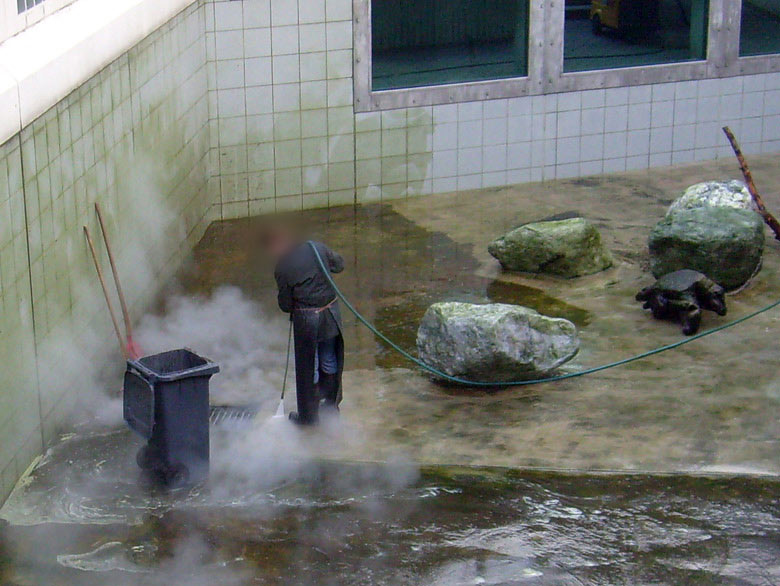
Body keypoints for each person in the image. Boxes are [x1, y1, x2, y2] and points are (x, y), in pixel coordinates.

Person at [265, 227, 345, 425]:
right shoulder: (317, 247)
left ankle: (309, 418)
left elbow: (285, 305)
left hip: (308, 320)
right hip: (331, 313)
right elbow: (339, 265)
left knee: (310, 365)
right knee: (329, 356)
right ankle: (330, 407)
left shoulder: (283, 267)